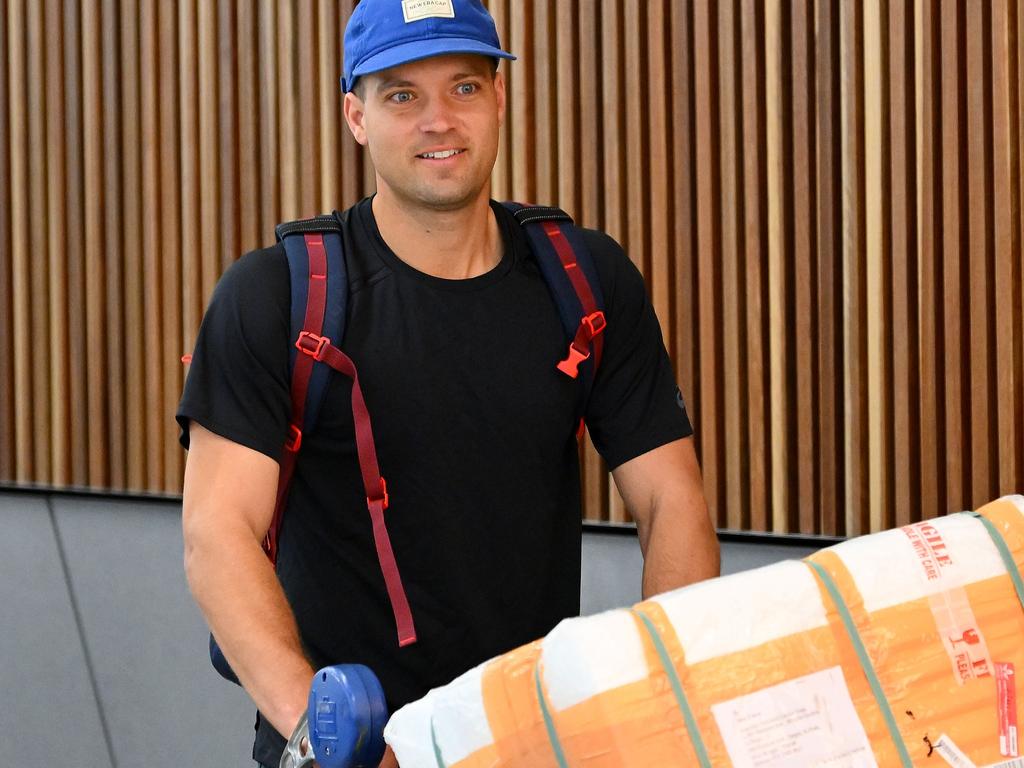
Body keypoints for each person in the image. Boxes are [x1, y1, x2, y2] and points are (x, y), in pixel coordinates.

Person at [177, 1, 720, 765]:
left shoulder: (584, 281)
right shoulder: (279, 297)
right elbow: (215, 534)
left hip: (524, 742)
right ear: (355, 115)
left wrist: (660, 694)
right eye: (402, 95)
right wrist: (323, 734)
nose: (438, 119)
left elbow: (672, 501)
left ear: (499, 100)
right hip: (345, 748)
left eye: (464, 87)